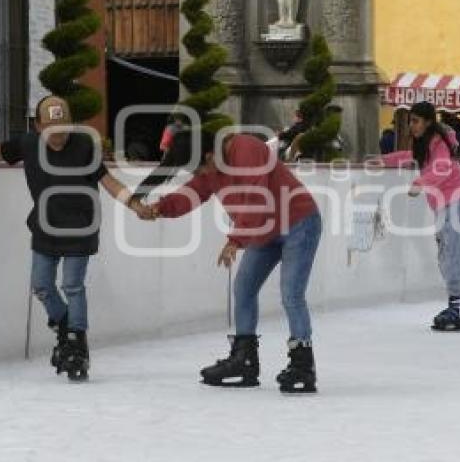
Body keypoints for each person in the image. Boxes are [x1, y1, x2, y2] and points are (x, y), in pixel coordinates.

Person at [0, 96, 145, 381]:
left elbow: (108, 181)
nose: (58, 136)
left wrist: (135, 203)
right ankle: (66, 325)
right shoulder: (28, 144)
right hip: (45, 226)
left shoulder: (84, 147)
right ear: (39, 126)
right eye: (52, 129)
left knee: (72, 286)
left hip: (80, 226)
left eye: (64, 128)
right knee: (41, 285)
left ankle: (77, 342)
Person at [136, 129, 323, 393]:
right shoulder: (209, 168)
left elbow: (257, 197)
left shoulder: (246, 148)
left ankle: (303, 365)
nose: (202, 175)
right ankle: (244, 359)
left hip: (298, 222)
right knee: (244, 289)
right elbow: (193, 192)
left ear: (211, 154)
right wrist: (160, 207)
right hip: (263, 230)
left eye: (202, 168)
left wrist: (236, 239)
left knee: (291, 294)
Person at [379, 102, 460, 331]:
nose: (411, 125)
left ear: (428, 122)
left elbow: (442, 167)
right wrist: (383, 161)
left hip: (458, 202)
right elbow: (410, 156)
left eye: (415, 121)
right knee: (444, 259)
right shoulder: (425, 143)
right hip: (444, 206)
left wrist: (420, 182)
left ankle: (457, 306)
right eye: (410, 121)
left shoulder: (440, 142)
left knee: (451, 257)